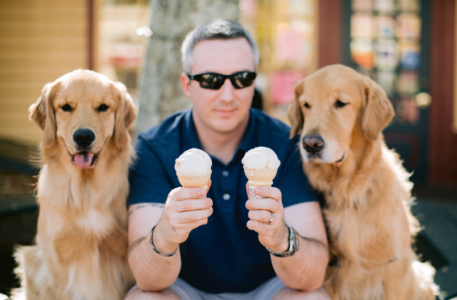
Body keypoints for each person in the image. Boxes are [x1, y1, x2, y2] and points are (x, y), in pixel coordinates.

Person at [125, 19, 330, 300]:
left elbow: (312, 277)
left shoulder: (285, 144)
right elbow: (147, 280)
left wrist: (281, 238)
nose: (227, 95)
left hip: (269, 289)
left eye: (241, 79)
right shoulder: (155, 148)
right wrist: (165, 233)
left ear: (254, 81)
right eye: (211, 80)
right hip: (184, 289)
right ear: (187, 84)